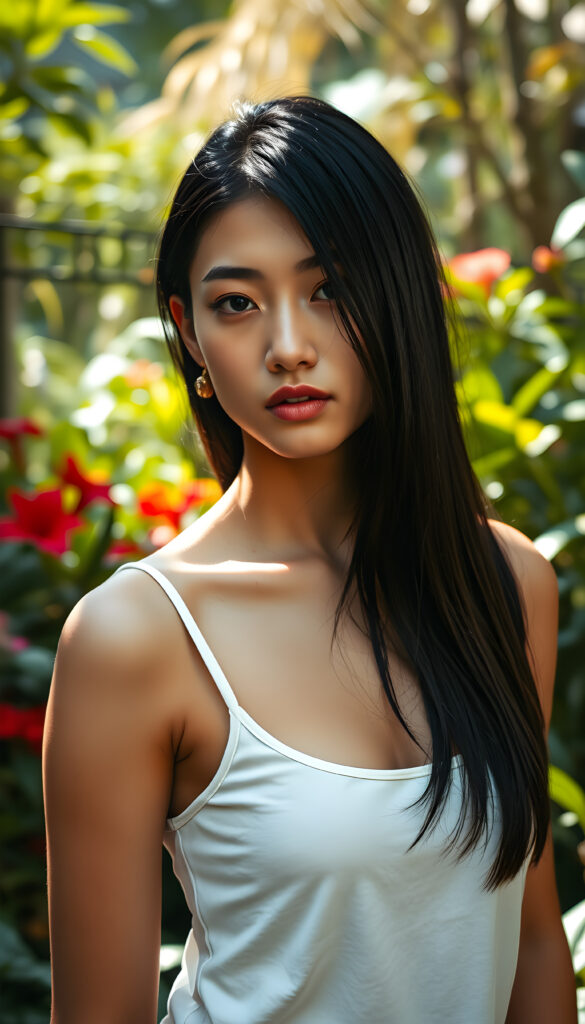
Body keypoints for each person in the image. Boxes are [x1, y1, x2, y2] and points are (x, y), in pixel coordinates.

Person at [43, 96, 577, 1024]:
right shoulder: (136, 637)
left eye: (328, 288)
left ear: (402, 293)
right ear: (188, 333)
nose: (288, 346)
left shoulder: (504, 586)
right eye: (237, 303)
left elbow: (529, 941)